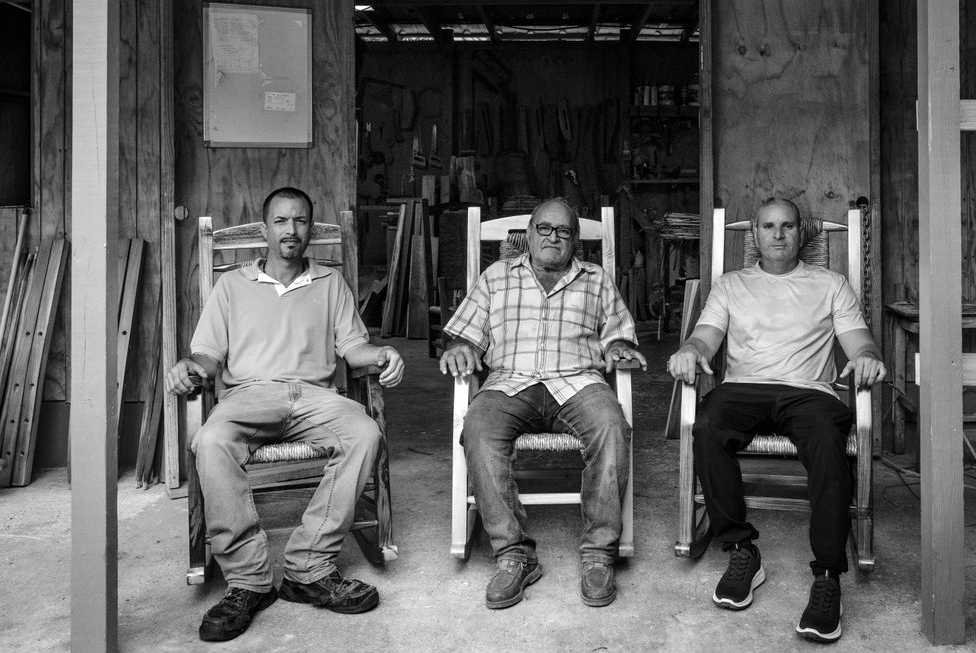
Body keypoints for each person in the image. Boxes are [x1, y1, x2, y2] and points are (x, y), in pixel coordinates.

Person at [165, 187, 405, 643]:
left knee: (364, 432)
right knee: (212, 441)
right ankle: (249, 580)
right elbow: (207, 357)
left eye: (299, 222)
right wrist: (188, 366)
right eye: (281, 221)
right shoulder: (231, 286)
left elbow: (354, 351)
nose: (290, 230)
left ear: (310, 230)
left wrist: (384, 353)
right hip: (249, 395)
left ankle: (308, 566)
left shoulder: (330, 283)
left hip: (315, 395)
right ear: (264, 229)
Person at [667, 198, 885, 644]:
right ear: (756, 235)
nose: (779, 234)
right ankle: (742, 549)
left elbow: (860, 342)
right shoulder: (731, 285)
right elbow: (706, 336)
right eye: (769, 226)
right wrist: (691, 350)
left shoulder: (830, 284)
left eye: (787, 226)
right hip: (744, 388)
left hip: (809, 392)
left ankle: (827, 575)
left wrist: (866, 357)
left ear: (801, 233)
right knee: (706, 426)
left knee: (828, 441)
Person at [439, 198, 646, 609]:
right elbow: (464, 333)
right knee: (477, 429)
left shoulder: (597, 279)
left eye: (564, 231)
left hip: (578, 382)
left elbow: (618, 332)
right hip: (509, 383)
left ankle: (599, 552)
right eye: (544, 229)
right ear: (528, 235)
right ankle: (514, 553)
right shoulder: (496, 276)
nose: (553, 237)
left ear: (575, 241)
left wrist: (620, 346)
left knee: (612, 426)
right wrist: (460, 347)